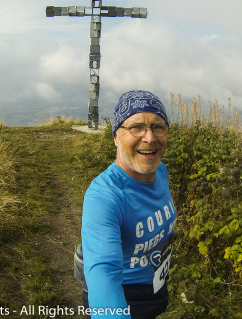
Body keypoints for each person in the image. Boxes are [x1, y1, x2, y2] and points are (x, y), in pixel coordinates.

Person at [80, 90, 177, 319]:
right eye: (136, 127)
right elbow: (104, 274)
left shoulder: (159, 170)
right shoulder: (103, 197)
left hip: (155, 285)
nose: (150, 138)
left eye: (158, 126)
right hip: (126, 297)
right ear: (116, 137)